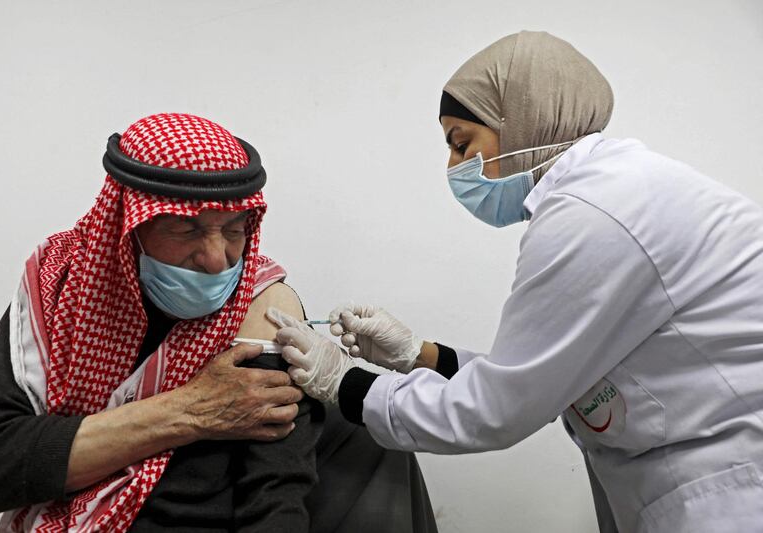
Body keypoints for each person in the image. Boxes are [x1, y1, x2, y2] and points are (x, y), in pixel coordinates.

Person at [266, 31, 763, 533]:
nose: (454, 168)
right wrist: (417, 355)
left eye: (463, 144)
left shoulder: (591, 217)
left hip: (732, 490)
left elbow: (495, 410)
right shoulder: (614, 190)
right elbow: (541, 376)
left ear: (521, 121)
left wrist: (342, 380)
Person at [0, 113, 438, 533]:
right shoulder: (62, 287)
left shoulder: (264, 305)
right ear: (128, 228)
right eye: (187, 228)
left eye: (234, 230)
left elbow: (274, 499)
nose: (217, 261)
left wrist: (419, 354)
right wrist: (188, 410)